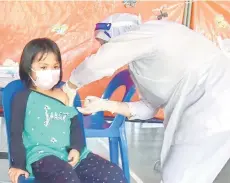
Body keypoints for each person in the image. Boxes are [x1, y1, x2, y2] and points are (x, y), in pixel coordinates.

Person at [62, 13, 230, 183]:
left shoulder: (149, 33)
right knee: (185, 174)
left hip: (214, 103)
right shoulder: (142, 62)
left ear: (121, 35)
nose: (103, 48)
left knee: (179, 176)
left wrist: (70, 85)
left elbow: (96, 64)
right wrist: (105, 104)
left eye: (105, 44)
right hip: (209, 107)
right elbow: (149, 107)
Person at [8, 38, 127, 183]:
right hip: (43, 156)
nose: (50, 72)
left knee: (113, 174)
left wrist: (76, 148)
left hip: (74, 156)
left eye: (55, 66)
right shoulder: (23, 98)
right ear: (28, 68)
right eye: (43, 67)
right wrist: (18, 165)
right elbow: (15, 134)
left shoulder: (66, 94)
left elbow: (76, 127)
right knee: (66, 177)